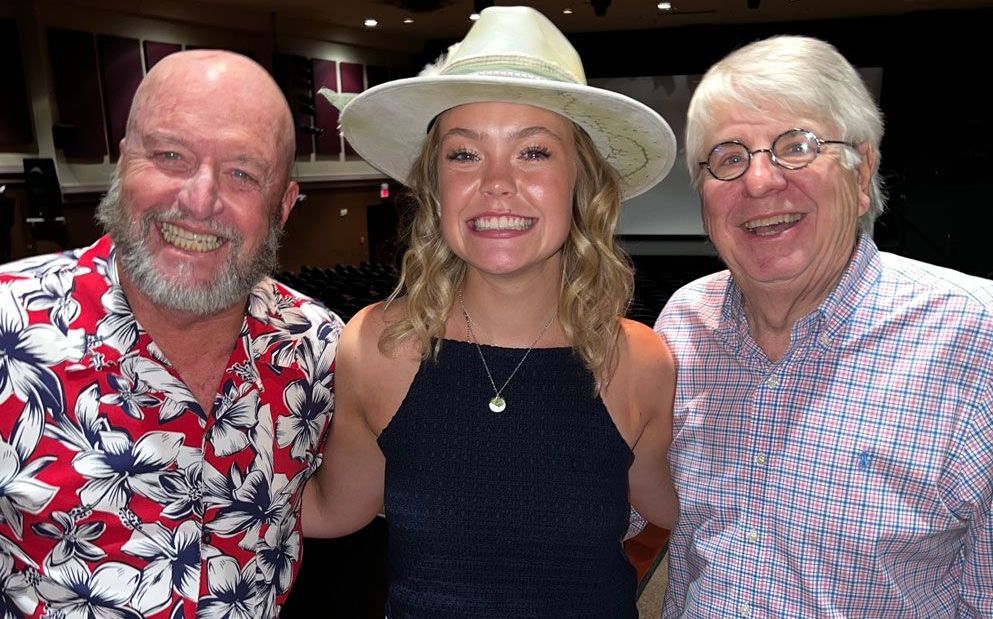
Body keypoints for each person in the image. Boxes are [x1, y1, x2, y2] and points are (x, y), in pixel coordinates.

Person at [305, 6, 679, 617]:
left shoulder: (638, 358)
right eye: (464, 155)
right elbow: (336, 509)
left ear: (581, 180)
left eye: (533, 152)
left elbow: (676, 507)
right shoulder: (378, 343)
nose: (497, 183)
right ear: (435, 186)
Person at [655, 35, 993, 617]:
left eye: (797, 146)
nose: (759, 182)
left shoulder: (977, 339)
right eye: (729, 158)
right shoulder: (684, 325)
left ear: (862, 176)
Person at [0, 50, 342, 618]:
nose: (199, 200)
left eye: (242, 173)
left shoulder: (317, 349)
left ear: (283, 206)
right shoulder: (8, 326)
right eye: (171, 155)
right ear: (122, 164)